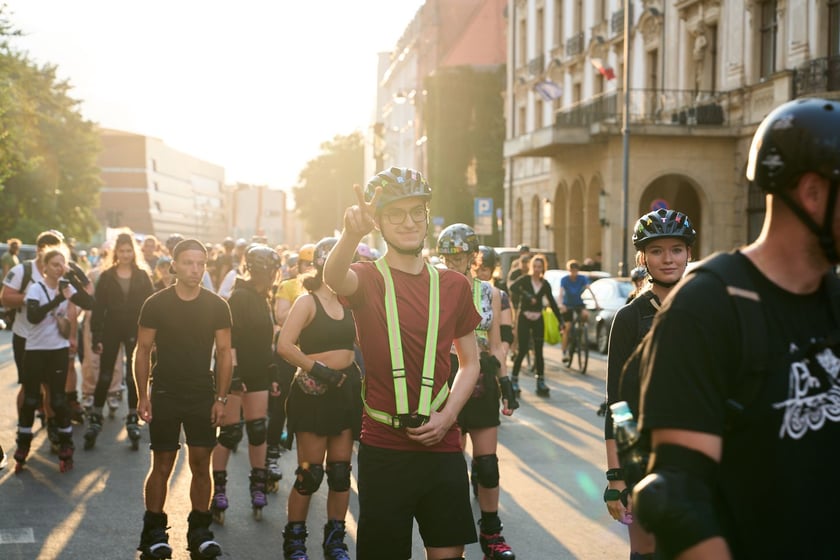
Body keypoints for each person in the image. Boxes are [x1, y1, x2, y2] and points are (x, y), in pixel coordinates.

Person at [633, 98, 840, 559]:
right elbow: (679, 500)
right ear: (812, 193)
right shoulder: (707, 308)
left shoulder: (835, 299)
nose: (669, 258)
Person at [323, 166, 481, 559]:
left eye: (417, 212)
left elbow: (470, 363)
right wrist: (350, 234)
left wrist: (447, 419)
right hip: (384, 447)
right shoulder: (366, 279)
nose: (408, 222)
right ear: (378, 221)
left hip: (442, 446)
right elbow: (333, 276)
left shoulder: (455, 286)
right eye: (395, 213)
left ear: (427, 216)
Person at [603, 209, 696, 559]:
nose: (668, 259)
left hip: (702, 454)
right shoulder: (629, 318)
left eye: (676, 249)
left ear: (689, 253)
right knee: (646, 552)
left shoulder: (707, 308)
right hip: (642, 455)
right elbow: (617, 403)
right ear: (643, 257)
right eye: (657, 251)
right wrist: (617, 476)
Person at [133, 238, 232, 560]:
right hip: (164, 392)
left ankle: (200, 532)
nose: (196, 269)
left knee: (201, 463)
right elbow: (143, 350)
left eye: (201, 263)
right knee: (161, 462)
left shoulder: (217, 305)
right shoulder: (156, 304)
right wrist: (142, 395)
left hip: (202, 394)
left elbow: (224, 354)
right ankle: (154, 533)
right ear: (174, 264)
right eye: (189, 263)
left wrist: (221, 398)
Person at [437, 225, 519, 560]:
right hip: (448, 377)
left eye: (462, 256)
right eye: (450, 257)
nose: (456, 263)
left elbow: (497, 344)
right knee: (452, 468)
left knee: (487, 466)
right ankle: (452, 536)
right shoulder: (434, 289)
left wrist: (506, 383)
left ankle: (491, 534)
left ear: (474, 257)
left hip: (483, 377)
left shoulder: (490, 293)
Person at [277, 236, 359, 560]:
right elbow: (284, 346)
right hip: (313, 391)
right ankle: (295, 540)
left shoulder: (351, 304)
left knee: (340, 474)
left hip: (344, 390)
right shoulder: (307, 301)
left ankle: (335, 541)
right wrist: (318, 369)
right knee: (310, 475)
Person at [210, 244, 280, 524]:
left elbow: (266, 342)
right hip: (236, 372)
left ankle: (258, 486)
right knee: (229, 434)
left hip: (259, 372)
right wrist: (234, 377)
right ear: (261, 270)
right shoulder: (239, 297)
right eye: (272, 270)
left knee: (258, 429)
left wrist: (272, 372)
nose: (275, 274)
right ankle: (219, 491)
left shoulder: (263, 297)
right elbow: (230, 341)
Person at [15, 245, 93, 472]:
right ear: (44, 267)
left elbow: (89, 303)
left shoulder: (66, 287)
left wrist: (75, 280)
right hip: (36, 350)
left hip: (58, 350)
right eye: (54, 265)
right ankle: (22, 445)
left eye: (62, 264)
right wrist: (58, 298)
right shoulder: (36, 289)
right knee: (31, 400)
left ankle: (66, 446)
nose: (59, 269)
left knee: (58, 401)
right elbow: (33, 316)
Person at [85, 231, 154, 450]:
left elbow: (151, 306)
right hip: (111, 330)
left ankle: (133, 417)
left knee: (132, 375)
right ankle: (96, 415)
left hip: (136, 329)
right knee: (105, 374)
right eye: (121, 251)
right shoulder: (107, 276)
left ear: (133, 252)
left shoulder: (142, 276)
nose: (125, 255)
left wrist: (154, 335)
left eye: (128, 251)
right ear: (116, 253)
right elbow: (98, 308)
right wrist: (97, 335)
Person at [508, 254, 562, 396]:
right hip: (524, 317)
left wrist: (560, 321)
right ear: (532, 267)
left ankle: (541, 382)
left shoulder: (545, 284)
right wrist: (526, 295)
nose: (537, 269)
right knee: (523, 349)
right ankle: (514, 381)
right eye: (535, 266)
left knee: (539, 351)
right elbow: (512, 287)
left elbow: (553, 303)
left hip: (538, 318)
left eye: (540, 267)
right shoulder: (525, 280)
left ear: (543, 268)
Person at [558, 260, 592, 363]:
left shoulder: (582, 278)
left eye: (575, 270)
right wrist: (560, 304)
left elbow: (589, 289)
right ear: (569, 270)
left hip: (578, 304)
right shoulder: (564, 279)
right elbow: (561, 293)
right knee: (567, 328)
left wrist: (596, 302)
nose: (574, 273)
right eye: (572, 270)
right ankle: (564, 352)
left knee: (585, 315)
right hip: (567, 305)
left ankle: (580, 334)